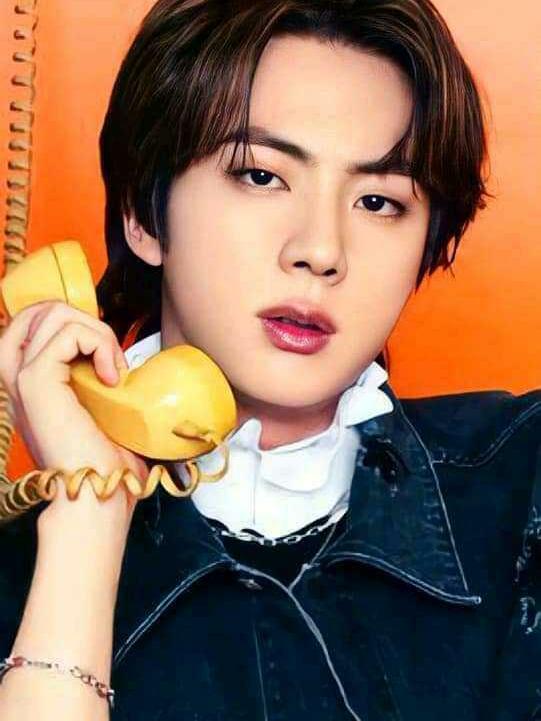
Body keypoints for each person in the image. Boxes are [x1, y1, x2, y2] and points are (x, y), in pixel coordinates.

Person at [0, 0, 539, 719]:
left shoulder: (524, 482)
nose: (320, 250)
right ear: (142, 213)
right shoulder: (24, 574)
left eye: (378, 201)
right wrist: (84, 523)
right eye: (261, 176)